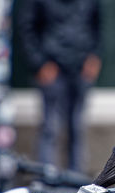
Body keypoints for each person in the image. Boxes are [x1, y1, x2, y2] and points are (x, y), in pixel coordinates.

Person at [17, 0, 101, 172]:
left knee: (77, 127)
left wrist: (94, 57)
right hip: (52, 69)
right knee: (50, 128)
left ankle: (76, 180)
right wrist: (40, 64)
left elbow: (98, 25)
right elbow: (27, 28)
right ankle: (46, 181)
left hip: (80, 67)